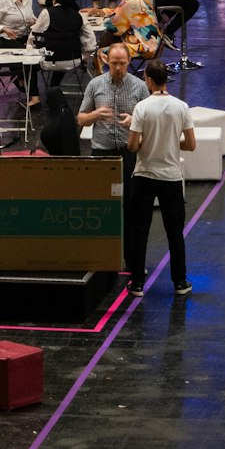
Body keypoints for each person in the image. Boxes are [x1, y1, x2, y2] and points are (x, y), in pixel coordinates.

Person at [78, 42, 150, 276]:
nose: (117, 68)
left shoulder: (140, 87)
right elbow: (80, 119)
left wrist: (135, 121)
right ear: (106, 61)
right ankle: (102, 259)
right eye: (113, 63)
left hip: (129, 154)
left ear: (129, 63)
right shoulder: (95, 85)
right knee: (101, 208)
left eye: (122, 63)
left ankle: (132, 260)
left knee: (131, 208)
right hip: (102, 154)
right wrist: (94, 115)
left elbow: (150, 121)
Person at [127, 59, 196, 297]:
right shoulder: (181, 107)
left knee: (140, 230)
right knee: (175, 232)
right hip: (171, 177)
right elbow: (191, 144)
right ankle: (180, 282)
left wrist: (148, 141)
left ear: (148, 80)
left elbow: (133, 145)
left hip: (144, 175)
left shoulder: (142, 108)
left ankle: (136, 283)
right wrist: (169, 143)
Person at [30, 0, 97, 83]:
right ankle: (54, 88)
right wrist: (86, 54)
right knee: (63, 51)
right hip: (74, 60)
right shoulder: (79, 15)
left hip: (50, 61)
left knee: (30, 65)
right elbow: (90, 39)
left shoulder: (47, 13)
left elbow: (34, 35)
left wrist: (30, 48)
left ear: (54, 0)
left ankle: (34, 96)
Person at [99, 0, 161, 67]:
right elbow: (119, 12)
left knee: (101, 52)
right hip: (152, 44)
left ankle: (101, 80)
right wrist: (100, 12)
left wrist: (101, 20)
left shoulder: (129, 2)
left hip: (143, 47)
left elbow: (116, 29)